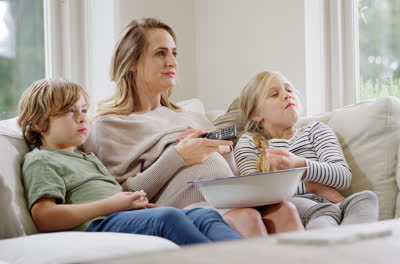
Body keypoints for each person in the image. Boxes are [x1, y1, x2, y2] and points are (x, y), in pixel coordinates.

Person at [82, 18, 303, 237]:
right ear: (133, 62)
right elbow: (121, 196)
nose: (172, 62)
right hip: (189, 212)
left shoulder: (193, 117)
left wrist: (222, 151)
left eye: (174, 53)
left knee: (284, 210)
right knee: (246, 217)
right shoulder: (109, 125)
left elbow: (228, 172)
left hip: (229, 200)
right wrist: (179, 155)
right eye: (161, 53)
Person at [18, 78, 242, 246]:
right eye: (69, 111)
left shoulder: (87, 158)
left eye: (84, 110)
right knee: (168, 216)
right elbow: (44, 217)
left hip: (120, 216)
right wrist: (111, 205)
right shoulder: (41, 159)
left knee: (204, 214)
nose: (82, 117)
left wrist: (137, 206)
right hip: (97, 225)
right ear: (38, 123)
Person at [234, 71, 379, 229]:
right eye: (274, 94)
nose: (287, 95)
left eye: (289, 90)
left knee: (366, 198)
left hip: (334, 204)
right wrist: (312, 186)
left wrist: (300, 164)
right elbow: (254, 193)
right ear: (256, 114)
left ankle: (352, 239)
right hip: (294, 206)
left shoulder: (316, 130)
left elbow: (342, 176)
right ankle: (335, 244)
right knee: (323, 212)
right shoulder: (248, 142)